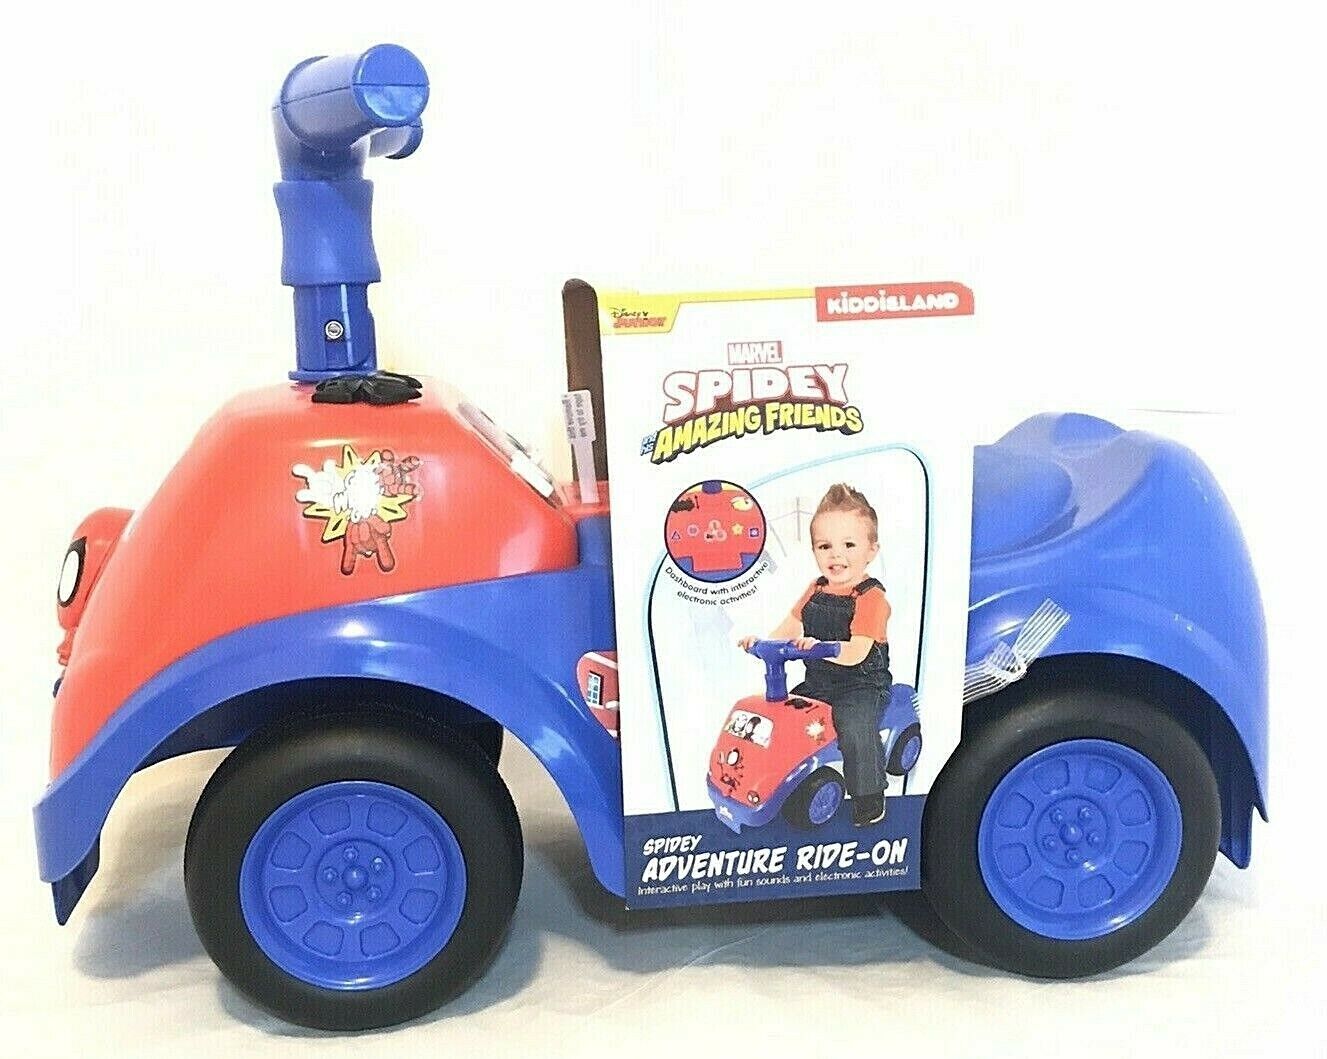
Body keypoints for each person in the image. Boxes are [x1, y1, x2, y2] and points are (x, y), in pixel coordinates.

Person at [738, 484, 892, 825]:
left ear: (871, 550)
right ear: (814, 550)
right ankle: (777, 783)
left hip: (862, 686)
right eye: (825, 546)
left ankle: (869, 797)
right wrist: (760, 643)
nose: (836, 555)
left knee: (854, 725)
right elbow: (789, 626)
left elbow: (856, 653)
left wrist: (821, 646)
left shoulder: (871, 598)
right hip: (819, 684)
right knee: (782, 719)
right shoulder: (816, 588)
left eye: (849, 545)